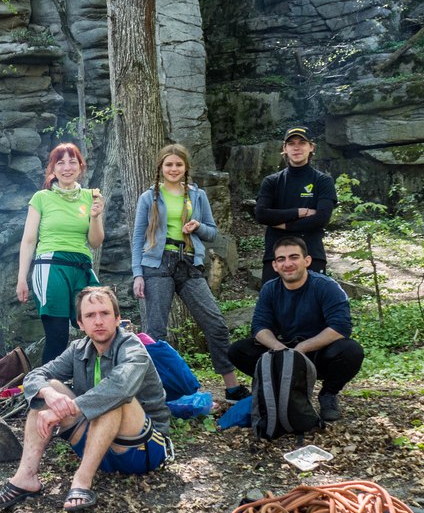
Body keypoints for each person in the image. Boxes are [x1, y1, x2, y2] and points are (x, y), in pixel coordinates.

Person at [0, 286, 173, 513]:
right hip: (99, 446)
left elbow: (121, 387)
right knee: (49, 387)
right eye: (90, 315)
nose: (98, 321)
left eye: (105, 313)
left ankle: (82, 482)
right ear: (81, 324)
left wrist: (69, 408)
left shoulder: (133, 347)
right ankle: (26, 477)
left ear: (117, 318)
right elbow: (35, 376)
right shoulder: (78, 349)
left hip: (142, 449)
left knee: (113, 396)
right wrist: (50, 395)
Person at [131, 144, 248, 402]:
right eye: (169, 165)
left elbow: (213, 233)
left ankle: (231, 388)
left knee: (215, 323)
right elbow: (138, 236)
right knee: (156, 333)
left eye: (178, 165)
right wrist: (137, 273)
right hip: (157, 264)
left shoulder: (197, 195)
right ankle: (155, 393)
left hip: (189, 264)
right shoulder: (148, 197)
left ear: (186, 168)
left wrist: (197, 227)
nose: (174, 169)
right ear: (160, 168)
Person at [227, 236, 365, 422]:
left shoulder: (326, 287)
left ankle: (328, 395)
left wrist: (302, 349)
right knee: (238, 351)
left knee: (351, 351)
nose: (288, 264)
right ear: (275, 265)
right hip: (284, 351)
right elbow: (259, 327)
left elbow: (340, 327)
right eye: (281, 259)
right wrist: (279, 348)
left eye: (294, 257)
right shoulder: (270, 289)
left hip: (319, 353)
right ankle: (284, 388)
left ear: (306, 261)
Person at [16, 143, 105, 364]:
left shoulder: (90, 196)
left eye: (72, 162)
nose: (67, 167)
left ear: (80, 166)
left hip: (82, 267)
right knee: (58, 336)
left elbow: (95, 242)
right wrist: (21, 278)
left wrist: (95, 216)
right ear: (52, 169)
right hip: (50, 266)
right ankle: (46, 390)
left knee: (98, 326)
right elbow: (28, 240)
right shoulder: (41, 198)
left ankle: (96, 383)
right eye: (61, 162)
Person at [254, 127, 337, 284]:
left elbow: (321, 219)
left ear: (311, 147)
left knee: (311, 307)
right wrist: (300, 212)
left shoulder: (323, 181)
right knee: (275, 306)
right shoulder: (271, 181)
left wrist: (283, 224)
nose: (296, 147)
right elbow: (261, 214)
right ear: (284, 148)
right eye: (291, 143)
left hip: (311, 255)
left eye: (302, 142)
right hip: (277, 257)